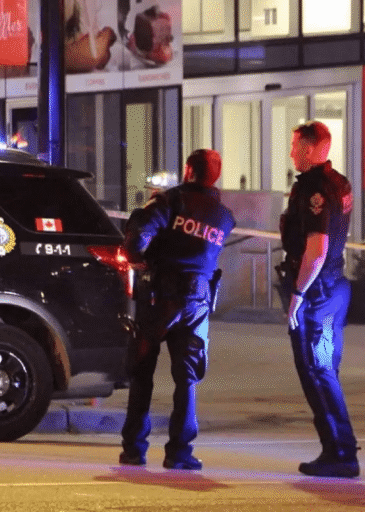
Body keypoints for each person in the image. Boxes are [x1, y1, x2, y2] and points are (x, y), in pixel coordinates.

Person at [119, 149, 236, 470]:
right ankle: (180, 452)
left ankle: (133, 449)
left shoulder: (170, 202)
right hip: (197, 303)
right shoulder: (224, 217)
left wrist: (138, 258)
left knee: (142, 371)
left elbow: (138, 236)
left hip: (159, 298)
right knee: (187, 379)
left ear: (187, 170)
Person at [279, 121, 359, 478]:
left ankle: (341, 452)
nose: (292, 152)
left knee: (318, 370)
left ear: (310, 149)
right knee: (323, 370)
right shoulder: (339, 183)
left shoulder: (314, 188)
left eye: (295, 146)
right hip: (333, 286)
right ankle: (336, 448)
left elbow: (317, 247)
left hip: (317, 291)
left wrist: (297, 294)